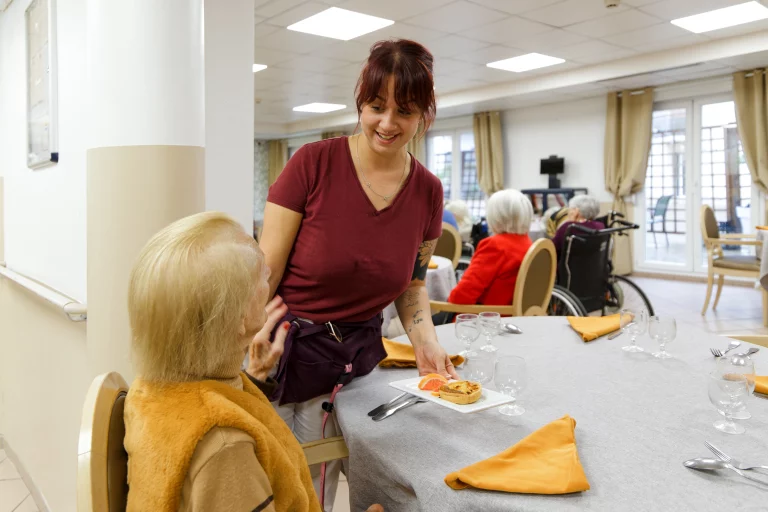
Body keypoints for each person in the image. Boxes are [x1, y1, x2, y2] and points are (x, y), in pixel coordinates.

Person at [259, 39, 458, 510]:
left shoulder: (428, 192)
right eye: (375, 107)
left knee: (379, 483)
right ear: (360, 103)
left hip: (362, 361)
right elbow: (263, 274)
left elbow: (411, 284)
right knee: (303, 493)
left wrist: (425, 341)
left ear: (424, 115)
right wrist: (238, 360)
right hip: (294, 355)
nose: (387, 124)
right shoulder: (311, 164)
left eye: (404, 112)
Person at [123, 212, 383, 512]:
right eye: (262, 276)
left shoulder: (151, 389)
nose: (270, 277)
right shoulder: (225, 447)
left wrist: (254, 379)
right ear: (237, 318)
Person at [446, 189, 533, 307]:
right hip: (516, 318)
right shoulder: (527, 243)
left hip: (484, 319)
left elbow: (461, 296)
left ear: (496, 217)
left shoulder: (495, 246)